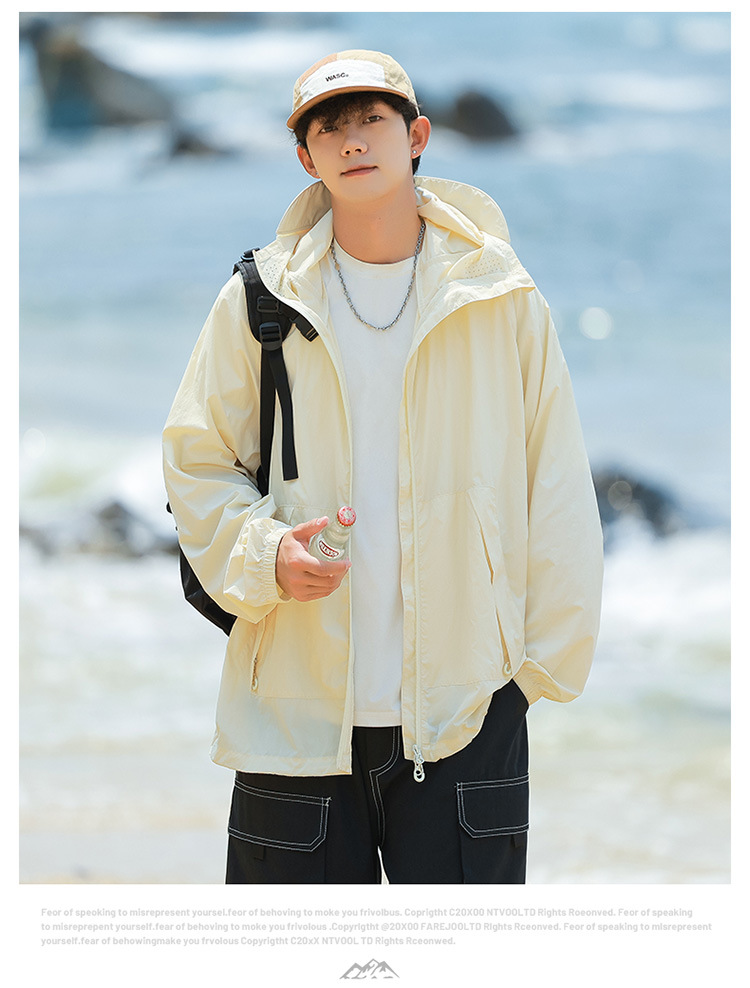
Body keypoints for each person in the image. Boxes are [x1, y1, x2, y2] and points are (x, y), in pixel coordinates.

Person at [162, 49, 603, 884]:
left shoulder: (502, 297)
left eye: (371, 120)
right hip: (293, 716)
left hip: (466, 713)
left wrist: (527, 678)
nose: (353, 140)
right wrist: (266, 554)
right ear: (306, 158)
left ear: (418, 137)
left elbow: (556, 483)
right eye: (329, 128)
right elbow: (196, 459)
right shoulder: (259, 298)